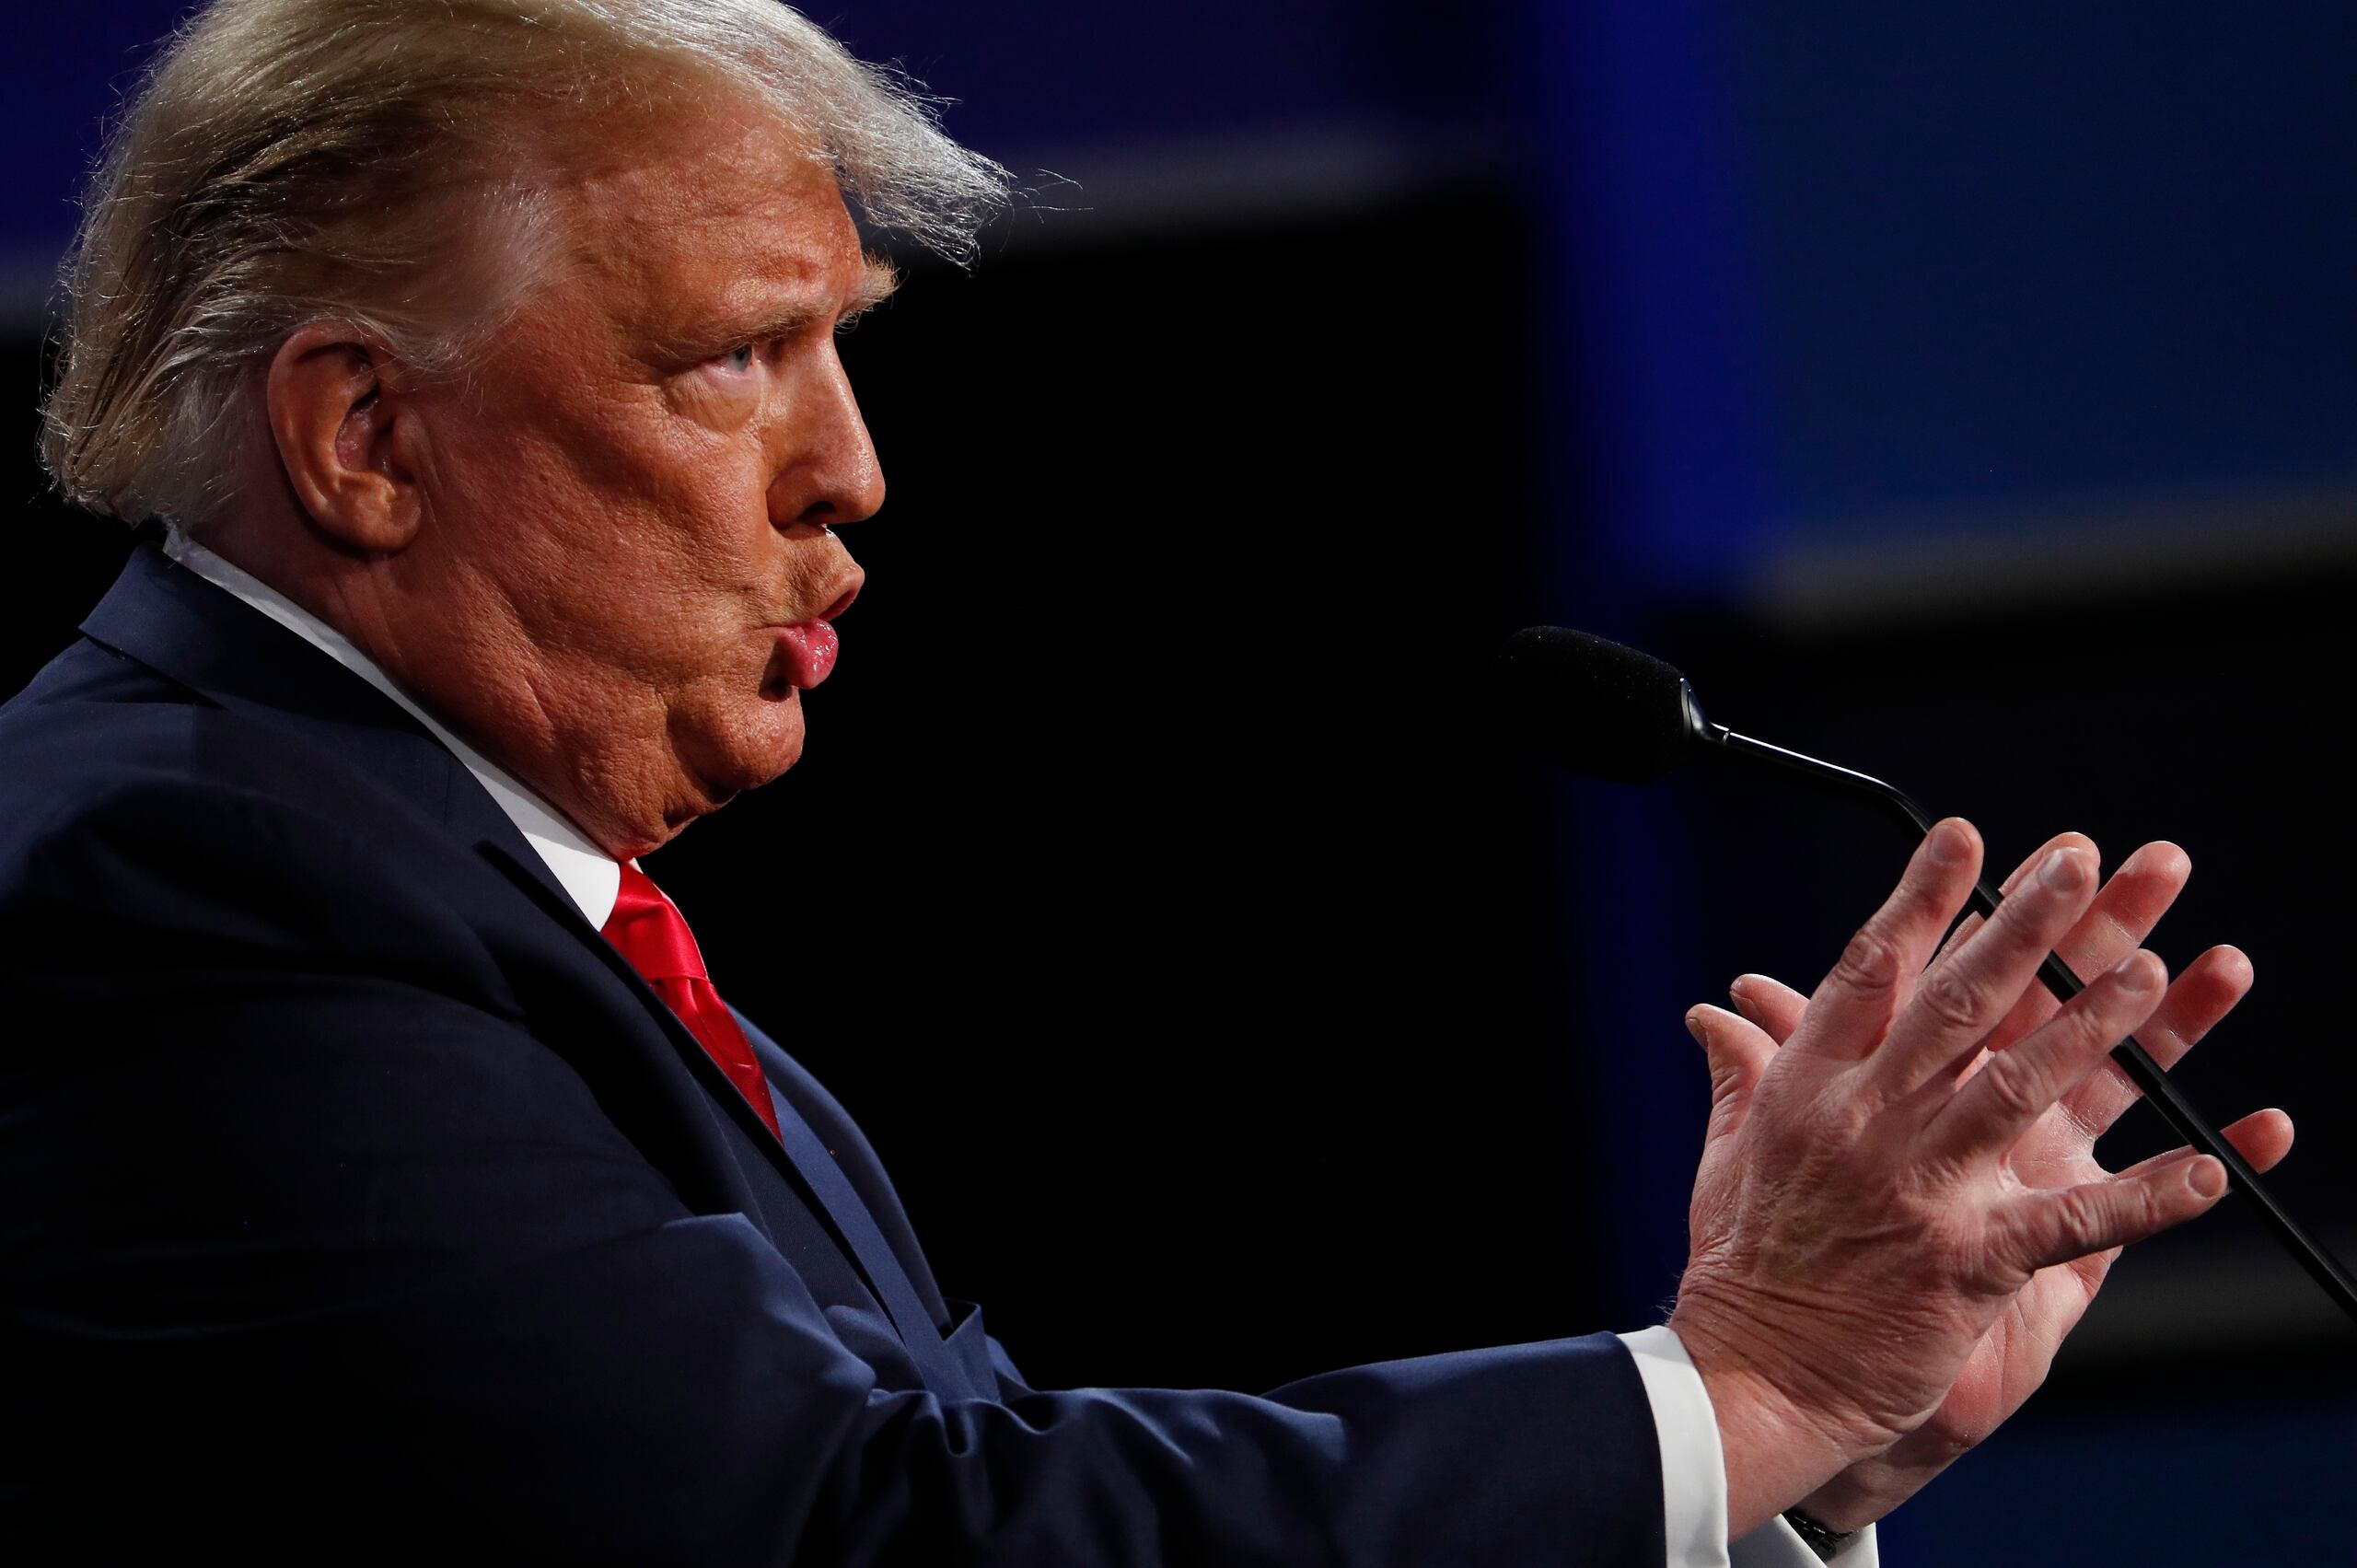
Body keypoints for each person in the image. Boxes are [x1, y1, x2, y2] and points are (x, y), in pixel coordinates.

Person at [0, 1, 2293, 1562]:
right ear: (361, 437)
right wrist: (1731, 1382)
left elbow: (960, 1487)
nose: (852, 474)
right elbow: (864, 1542)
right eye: (733, 360)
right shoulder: (175, 880)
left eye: (844, 352)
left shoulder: (470, 894)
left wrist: (1783, 1458)